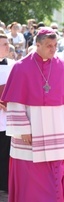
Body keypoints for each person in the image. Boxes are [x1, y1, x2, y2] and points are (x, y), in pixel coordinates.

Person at [1, 27, 64, 202]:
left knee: (54, 178)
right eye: (49, 45)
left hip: (55, 132)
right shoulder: (21, 67)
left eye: (55, 45)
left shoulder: (62, 66)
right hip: (31, 135)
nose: (53, 49)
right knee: (31, 179)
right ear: (37, 45)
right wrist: (23, 130)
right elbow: (15, 102)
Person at [0, 33, 15, 193]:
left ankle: (5, 183)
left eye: (8, 43)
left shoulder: (13, 64)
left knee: (6, 152)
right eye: (4, 44)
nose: (7, 46)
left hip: (8, 115)